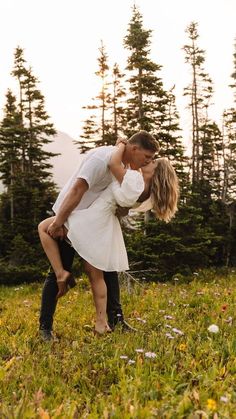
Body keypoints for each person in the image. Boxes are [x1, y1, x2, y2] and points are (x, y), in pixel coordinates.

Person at [38, 143, 179, 335]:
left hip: (87, 218)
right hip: (98, 220)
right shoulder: (141, 186)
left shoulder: (134, 179)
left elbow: (111, 169)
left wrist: (120, 145)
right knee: (106, 272)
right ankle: (111, 321)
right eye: (148, 157)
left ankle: (47, 327)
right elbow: (120, 204)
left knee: (50, 241)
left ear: (156, 172)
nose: (148, 161)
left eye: (152, 160)